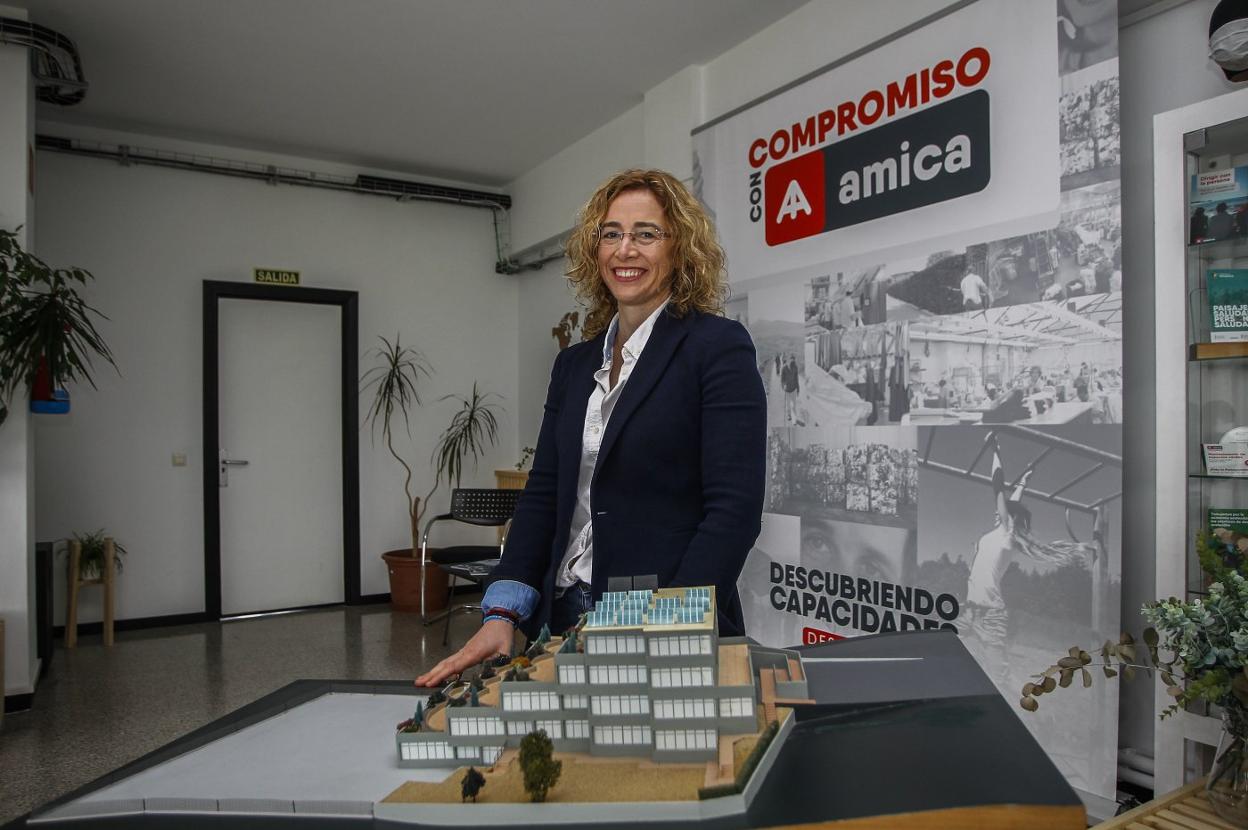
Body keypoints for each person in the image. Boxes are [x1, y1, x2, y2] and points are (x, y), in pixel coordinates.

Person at [415, 169, 767, 687]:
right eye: (611, 234)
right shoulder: (575, 366)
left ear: (680, 249)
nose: (626, 250)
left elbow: (733, 511)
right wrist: (503, 611)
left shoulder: (717, 348)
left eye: (646, 234)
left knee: (650, 764)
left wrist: (669, 625)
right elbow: (544, 493)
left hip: (661, 620)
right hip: (563, 613)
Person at [959, 440, 1103, 686]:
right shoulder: (1000, 532)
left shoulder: (1007, 534)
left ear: (1011, 520)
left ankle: (1019, 710)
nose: (998, 511)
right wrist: (1024, 480)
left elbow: (998, 488)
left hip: (991, 616)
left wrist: (996, 449)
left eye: (1003, 511)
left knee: (998, 676)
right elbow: (1012, 501)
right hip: (969, 610)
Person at [782, 354, 801, 425]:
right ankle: (788, 415)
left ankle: (794, 419)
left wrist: (798, 389)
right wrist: (783, 385)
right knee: (788, 404)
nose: (792, 362)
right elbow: (782, 379)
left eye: (794, 361)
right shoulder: (784, 367)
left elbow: (797, 379)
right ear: (789, 360)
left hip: (793, 388)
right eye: (791, 360)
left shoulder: (795, 367)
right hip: (787, 389)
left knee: (794, 404)